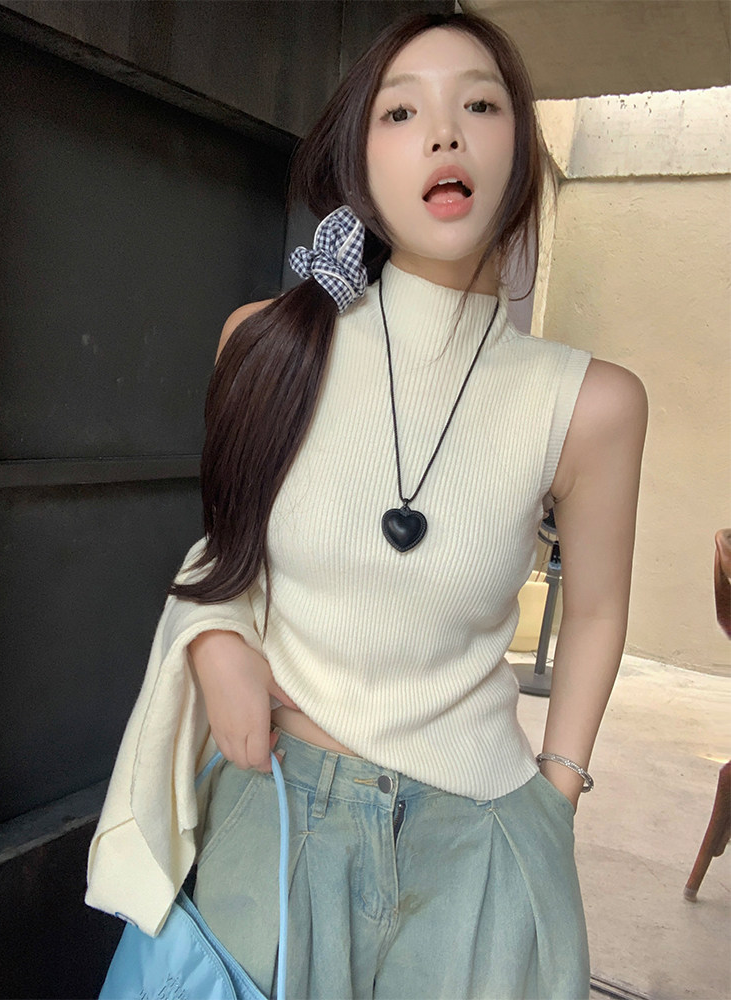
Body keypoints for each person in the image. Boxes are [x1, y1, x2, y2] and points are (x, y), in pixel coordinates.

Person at [86, 11, 648, 999]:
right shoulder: (267, 343)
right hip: (278, 811)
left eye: (481, 105)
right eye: (402, 112)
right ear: (360, 159)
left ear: (520, 154)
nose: (445, 133)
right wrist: (215, 642)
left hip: (478, 846)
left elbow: (597, 610)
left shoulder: (591, 402)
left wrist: (557, 793)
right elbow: (228, 548)